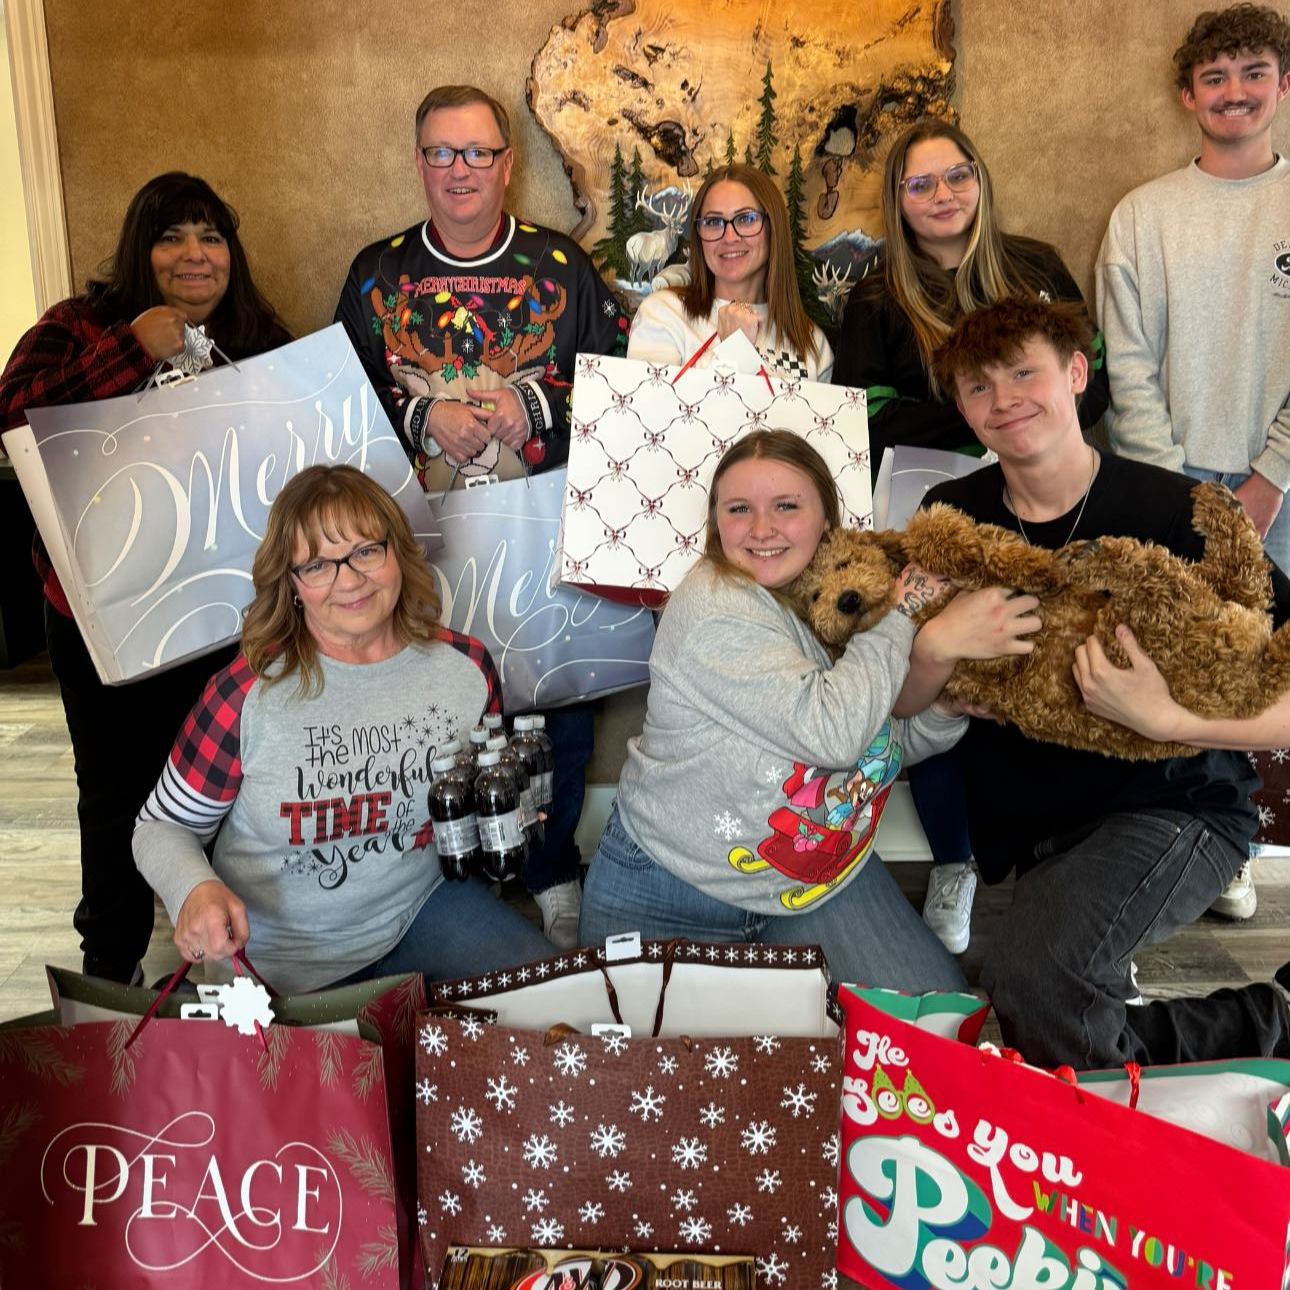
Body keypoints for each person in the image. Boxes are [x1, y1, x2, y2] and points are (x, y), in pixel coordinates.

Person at [918, 295, 1290, 1068]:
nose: (1004, 399)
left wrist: (1168, 720)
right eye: (979, 385)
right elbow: (902, 697)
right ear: (962, 406)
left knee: (1031, 979)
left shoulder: (1178, 511)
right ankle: (1175, 1060)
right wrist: (936, 656)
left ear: (1078, 374)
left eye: (1024, 373)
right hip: (1033, 832)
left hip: (1177, 806)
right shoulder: (948, 516)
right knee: (1058, 1004)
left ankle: (1263, 1028)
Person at [578, 430, 1038, 988]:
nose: (762, 528)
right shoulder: (713, 608)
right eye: (739, 509)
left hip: (819, 878)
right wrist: (905, 615)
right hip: (674, 892)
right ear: (716, 523)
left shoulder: (837, 586)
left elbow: (873, 747)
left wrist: (943, 706)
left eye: (786, 506)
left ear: (826, 519)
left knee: (933, 1022)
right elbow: (835, 735)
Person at [334, 84, 629, 948]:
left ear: (507, 164)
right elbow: (338, 404)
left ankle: (551, 869)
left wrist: (531, 405)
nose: (459, 170)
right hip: (418, 546)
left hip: (542, 537)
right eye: (441, 152)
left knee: (557, 709)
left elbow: (623, 388)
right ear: (419, 162)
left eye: (477, 153)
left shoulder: (560, 268)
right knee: (430, 708)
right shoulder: (376, 274)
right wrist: (424, 415)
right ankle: (433, 880)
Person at [0, 172, 291, 985]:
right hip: (104, 610)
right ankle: (112, 960)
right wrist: (134, 347)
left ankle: (235, 948)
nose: (195, 254)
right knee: (113, 786)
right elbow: (14, 418)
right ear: (141, 249)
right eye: (172, 237)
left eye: (211, 236)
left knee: (232, 775)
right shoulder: (76, 325)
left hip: (229, 611)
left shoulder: (257, 336)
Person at [834, 119, 1109, 956]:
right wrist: (994, 416)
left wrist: (1008, 422)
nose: (942, 195)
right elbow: (866, 417)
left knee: (1049, 662)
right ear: (898, 200)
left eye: (956, 175)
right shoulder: (876, 298)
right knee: (947, 678)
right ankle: (955, 862)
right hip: (932, 510)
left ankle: (1072, 861)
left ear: (980, 179)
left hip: (1052, 504)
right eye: (920, 184)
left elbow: (1092, 386)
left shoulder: (1036, 267)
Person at [132, 465, 554, 992]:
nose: (350, 581)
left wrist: (508, 814)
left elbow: (468, 797)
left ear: (397, 553)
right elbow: (160, 826)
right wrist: (193, 889)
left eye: (366, 551)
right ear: (291, 584)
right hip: (278, 953)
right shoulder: (244, 695)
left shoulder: (466, 668)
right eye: (317, 565)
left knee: (558, 999)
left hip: (419, 912)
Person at [1096, 3, 1290, 920]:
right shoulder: (1144, 215)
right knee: (1175, 662)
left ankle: (1247, 836)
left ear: (1283, 86)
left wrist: (1273, 474)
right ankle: (1205, 841)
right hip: (1168, 479)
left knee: (1269, 664)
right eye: (1214, 77)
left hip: (1281, 487)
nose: (1234, 91)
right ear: (1188, 96)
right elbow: (1126, 363)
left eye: (1253, 73)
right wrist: (1168, 488)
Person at [626, 163, 833, 380]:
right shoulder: (662, 315)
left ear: (773, 228)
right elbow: (654, 401)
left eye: (746, 219)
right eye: (713, 222)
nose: (729, 237)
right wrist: (733, 351)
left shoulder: (813, 345)